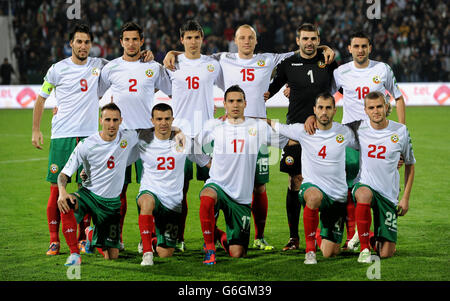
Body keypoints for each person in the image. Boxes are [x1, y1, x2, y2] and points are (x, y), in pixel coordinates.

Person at [165, 24, 335, 250]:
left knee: (259, 186)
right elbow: (194, 54)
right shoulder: (222, 59)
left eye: (250, 38)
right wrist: (173, 52)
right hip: (230, 129)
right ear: (235, 40)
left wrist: (322, 46)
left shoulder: (268, 59)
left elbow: (302, 51)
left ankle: (259, 236)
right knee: (217, 185)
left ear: (256, 41)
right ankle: (202, 237)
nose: (246, 41)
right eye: (242, 37)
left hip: (259, 130)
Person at [32, 23, 108, 256]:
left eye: (87, 42)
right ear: (71, 44)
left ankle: (84, 237)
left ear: (91, 45)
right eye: (79, 41)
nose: (83, 46)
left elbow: (125, 65)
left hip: (88, 138)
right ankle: (54, 240)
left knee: (86, 189)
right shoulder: (57, 69)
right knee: (56, 189)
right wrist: (36, 130)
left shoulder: (99, 66)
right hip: (62, 137)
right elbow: (41, 99)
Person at [98, 22, 172, 250]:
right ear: (121, 42)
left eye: (135, 39)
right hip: (120, 137)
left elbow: (172, 88)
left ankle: (146, 238)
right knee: (117, 190)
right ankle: (116, 238)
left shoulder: (153, 67)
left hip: (148, 137)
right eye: (127, 39)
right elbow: (95, 95)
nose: (131, 43)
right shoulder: (111, 68)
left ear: (142, 41)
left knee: (150, 190)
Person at [266, 23, 338, 251]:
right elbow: (269, 91)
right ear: (297, 41)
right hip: (296, 132)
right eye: (305, 39)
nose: (309, 43)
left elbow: (345, 89)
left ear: (319, 40)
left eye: (313, 39)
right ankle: (294, 237)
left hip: (323, 132)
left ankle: (323, 234)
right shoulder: (288, 64)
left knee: (325, 181)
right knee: (295, 181)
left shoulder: (328, 62)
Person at [197, 85, 288, 265]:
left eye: (239, 101)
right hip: (218, 186)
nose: (235, 105)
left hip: (241, 198)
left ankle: (220, 236)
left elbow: (286, 139)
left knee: (237, 253)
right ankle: (209, 249)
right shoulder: (214, 125)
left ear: (245, 104)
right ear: (224, 104)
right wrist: (206, 162)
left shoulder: (258, 127)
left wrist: (268, 121)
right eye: (231, 101)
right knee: (207, 197)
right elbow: (193, 146)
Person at [267, 92, 357, 264]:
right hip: (312, 188)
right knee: (314, 197)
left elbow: (367, 146)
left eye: (328, 108)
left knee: (330, 253)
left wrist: (396, 157)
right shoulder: (303, 130)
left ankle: (318, 233)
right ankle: (310, 251)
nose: (324, 112)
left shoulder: (344, 132)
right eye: (321, 108)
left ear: (334, 110)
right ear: (314, 110)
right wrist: (247, 117)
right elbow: (275, 125)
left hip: (337, 197)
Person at [164, 20, 223, 252]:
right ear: (182, 40)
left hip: (207, 134)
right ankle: (178, 237)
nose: (193, 42)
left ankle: (214, 236)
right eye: (188, 38)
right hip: (180, 134)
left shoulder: (212, 65)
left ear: (202, 38)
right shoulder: (171, 64)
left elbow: (231, 85)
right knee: (180, 190)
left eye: (196, 37)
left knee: (216, 186)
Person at [57, 103, 139, 266]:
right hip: (89, 195)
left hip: (111, 203)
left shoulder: (128, 137)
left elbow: (154, 130)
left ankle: (91, 234)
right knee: (66, 203)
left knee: (112, 256)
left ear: (121, 120)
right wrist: (62, 191)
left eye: (115, 120)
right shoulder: (87, 145)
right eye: (107, 119)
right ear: (101, 120)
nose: (111, 124)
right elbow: (63, 174)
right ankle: (74, 254)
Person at [136, 103, 210, 265]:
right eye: (159, 119)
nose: (163, 123)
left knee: (165, 253)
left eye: (167, 119)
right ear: (152, 121)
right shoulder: (142, 140)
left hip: (173, 203)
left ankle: (151, 238)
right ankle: (147, 253)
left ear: (172, 120)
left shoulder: (183, 141)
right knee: (147, 202)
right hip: (150, 193)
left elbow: (206, 162)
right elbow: (118, 156)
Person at [351, 91, 415, 263]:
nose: (376, 111)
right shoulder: (358, 128)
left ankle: (368, 235)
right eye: (371, 107)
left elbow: (410, 164)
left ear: (386, 107)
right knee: (363, 194)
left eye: (379, 106)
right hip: (366, 186)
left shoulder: (400, 131)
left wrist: (405, 198)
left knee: (386, 253)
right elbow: (331, 131)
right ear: (365, 110)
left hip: (388, 196)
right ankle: (364, 249)